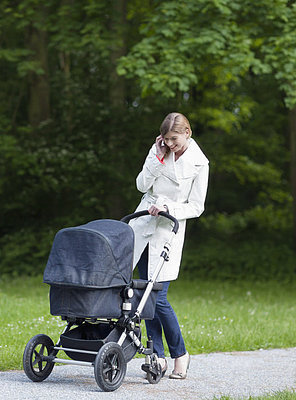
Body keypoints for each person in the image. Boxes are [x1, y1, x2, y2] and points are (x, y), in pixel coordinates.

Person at [129, 112, 209, 380]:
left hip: (168, 230)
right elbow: (141, 185)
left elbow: (197, 207)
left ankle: (180, 353)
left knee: (157, 297)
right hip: (143, 227)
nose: (171, 144)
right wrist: (157, 157)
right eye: (166, 139)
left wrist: (168, 207)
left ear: (187, 132)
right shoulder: (158, 151)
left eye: (174, 139)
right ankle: (157, 357)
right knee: (143, 294)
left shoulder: (200, 164)